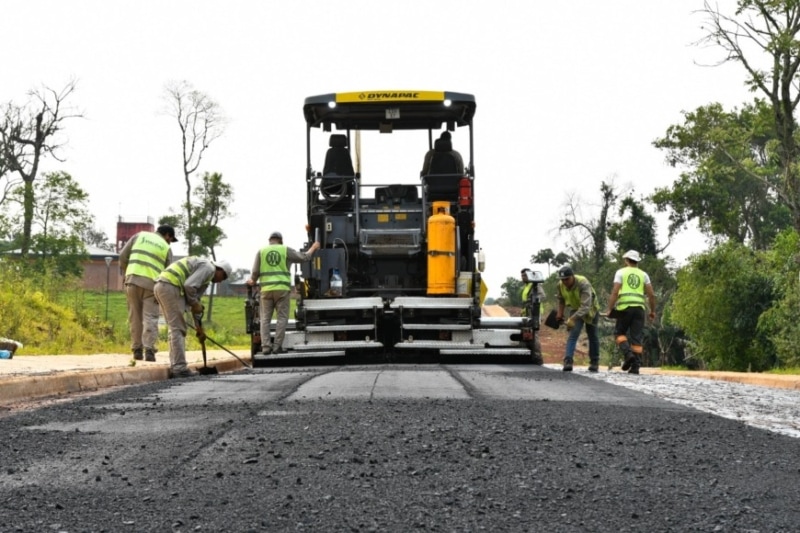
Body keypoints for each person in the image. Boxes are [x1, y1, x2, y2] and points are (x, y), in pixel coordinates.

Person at [153, 256, 232, 378]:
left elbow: (195, 302)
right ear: (219, 269)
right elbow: (189, 287)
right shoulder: (209, 268)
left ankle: (176, 366)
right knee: (178, 328)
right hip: (170, 285)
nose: (222, 281)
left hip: (163, 285)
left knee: (175, 328)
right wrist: (195, 304)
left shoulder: (205, 279)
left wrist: (199, 327)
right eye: (224, 276)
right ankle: (180, 368)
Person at [246, 231, 320, 355]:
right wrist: (313, 247)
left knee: (265, 320)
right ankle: (277, 347)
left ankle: (265, 347)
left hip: (266, 291)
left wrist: (252, 280)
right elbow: (304, 257)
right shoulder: (285, 250)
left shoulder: (261, 251)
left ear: (269, 240)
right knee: (282, 319)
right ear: (281, 240)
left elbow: (255, 273)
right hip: (282, 291)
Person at [118, 224, 177, 362]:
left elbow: (122, 256)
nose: (170, 242)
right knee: (150, 317)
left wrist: (128, 274)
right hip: (152, 286)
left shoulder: (139, 236)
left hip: (132, 281)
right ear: (168, 235)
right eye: (171, 239)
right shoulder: (166, 248)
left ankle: (137, 350)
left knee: (135, 316)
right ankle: (149, 350)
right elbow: (168, 273)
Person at [604, 250, 657, 375]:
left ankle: (628, 355)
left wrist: (610, 308)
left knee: (619, 333)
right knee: (636, 338)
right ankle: (635, 367)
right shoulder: (644, 274)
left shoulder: (621, 272)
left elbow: (615, 292)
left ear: (626, 260)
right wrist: (653, 311)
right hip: (639, 309)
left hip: (624, 308)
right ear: (637, 261)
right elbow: (651, 294)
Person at [555, 265, 600, 372]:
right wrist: (560, 314)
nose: (565, 282)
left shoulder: (583, 283)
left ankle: (594, 362)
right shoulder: (560, 285)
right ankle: (568, 361)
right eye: (562, 279)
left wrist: (572, 319)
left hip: (590, 309)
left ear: (572, 276)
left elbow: (585, 307)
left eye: (567, 279)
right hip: (576, 308)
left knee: (592, 335)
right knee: (573, 335)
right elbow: (561, 300)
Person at [520, 268, 546, 365]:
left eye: (525, 275)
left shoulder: (535, 285)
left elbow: (542, 296)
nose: (523, 277)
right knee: (527, 334)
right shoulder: (526, 286)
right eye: (522, 276)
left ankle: (538, 358)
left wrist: (532, 301)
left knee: (535, 335)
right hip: (527, 313)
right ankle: (530, 357)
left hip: (534, 312)